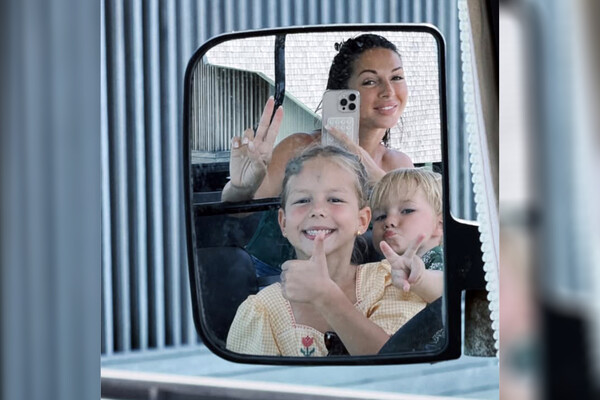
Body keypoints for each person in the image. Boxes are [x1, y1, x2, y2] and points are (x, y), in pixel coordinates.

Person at [222, 34, 414, 274]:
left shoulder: (398, 165)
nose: (388, 91)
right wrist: (241, 187)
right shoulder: (299, 148)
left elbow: (423, 237)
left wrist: (383, 185)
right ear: (343, 93)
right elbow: (238, 211)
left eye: (396, 77)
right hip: (274, 276)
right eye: (370, 82)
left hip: (360, 283)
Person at [226, 146, 426, 356]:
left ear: (362, 220)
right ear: (283, 223)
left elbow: (395, 362)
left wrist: (326, 297)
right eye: (303, 200)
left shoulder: (389, 283)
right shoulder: (262, 310)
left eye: (335, 200)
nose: (317, 210)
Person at [369, 168, 444, 304]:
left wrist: (421, 279)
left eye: (407, 211)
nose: (389, 221)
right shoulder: (376, 269)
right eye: (380, 216)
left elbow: (446, 289)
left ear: (440, 225)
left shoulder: (437, 258)